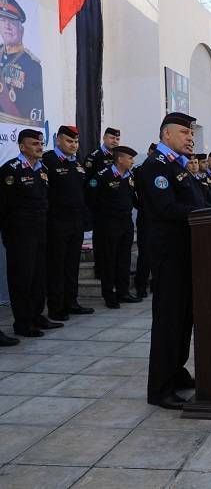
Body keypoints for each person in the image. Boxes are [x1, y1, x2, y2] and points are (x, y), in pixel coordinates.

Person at [138, 112, 204, 410]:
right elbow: (167, 208)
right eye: (184, 133)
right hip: (169, 255)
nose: (190, 138)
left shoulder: (178, 166)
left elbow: (193, 202)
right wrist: (205, 213)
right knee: (169, 321)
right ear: (166, 134)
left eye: (191, 133)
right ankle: (160, 388)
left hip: (186, 252)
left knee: (183, 319)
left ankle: (176, 372)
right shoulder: (156, 166)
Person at [0, 129, 63, 338]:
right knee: (22, 278)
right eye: (34, 143)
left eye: (41, 143)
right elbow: (5, 205)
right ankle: (23, 322)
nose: (39, 147)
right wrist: (10, 233)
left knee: (38, 276)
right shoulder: (11, 170)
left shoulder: (42, 169)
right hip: (20, 234)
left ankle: (37, 316)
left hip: (40, 230)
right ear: (22, 146)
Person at [43, 125, 94, 322]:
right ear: (58, 140)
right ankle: (56, 307)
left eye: (76, 142)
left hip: (75, 221)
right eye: (69, 141)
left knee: (72, 264)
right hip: (57, 222)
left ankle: (71, 302)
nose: (73, 145)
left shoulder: (76, 163)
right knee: (56, 265)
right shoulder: (48, 160)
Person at [87, 146, 142, 309]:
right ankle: (109, 294)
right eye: (130, 158)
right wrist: (103, 216)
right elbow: (90, 198)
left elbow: (133, 198)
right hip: (108, 224)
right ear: (120, 159)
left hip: (126, 223)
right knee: (109, 260)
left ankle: (123, 292)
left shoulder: (130, 176)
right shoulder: (102, 175)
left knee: (124, 259)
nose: (132, 161)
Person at [0, 0, 44, 126]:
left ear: (22, 30)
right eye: (3, 20)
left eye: (12, 22)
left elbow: (35, 118)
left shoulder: (32, 65)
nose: (7, 26)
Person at [133, 143, 157, 298]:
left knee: (157, 252)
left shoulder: (162, 169)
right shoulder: (139, 170)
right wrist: (142, 206)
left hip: (159, 217)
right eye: (152, 153)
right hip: (145, 217)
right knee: (145, 253)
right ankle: (140, 286)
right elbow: (133, 193)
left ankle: (156, 284)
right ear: (148, 153)